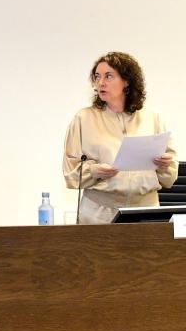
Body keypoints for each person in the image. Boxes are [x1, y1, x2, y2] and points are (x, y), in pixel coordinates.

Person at [63, 52, 177, 224]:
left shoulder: (152, 118)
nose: (101, 82)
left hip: (146, 211)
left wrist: (165, 165)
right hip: (99, 213)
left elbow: (169, 177)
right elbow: (70, 171)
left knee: (149, 253)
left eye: (108, 76)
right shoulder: (83, 119)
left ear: (127, 81)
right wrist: (93, 171)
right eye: (97, 77)